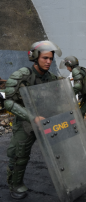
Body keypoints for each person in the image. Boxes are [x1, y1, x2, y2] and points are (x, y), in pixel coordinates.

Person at [4, 41, 62, 199]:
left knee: (61, 150)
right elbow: (8, 101)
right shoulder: (22, 75)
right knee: (19, 155)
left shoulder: (51, 77)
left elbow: (58, 97)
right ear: (35, 58)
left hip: (47, 121)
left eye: (50, 58)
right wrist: (32, 117)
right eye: (45, 58)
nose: (48, 61)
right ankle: (15, 185)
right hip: (25, 122)